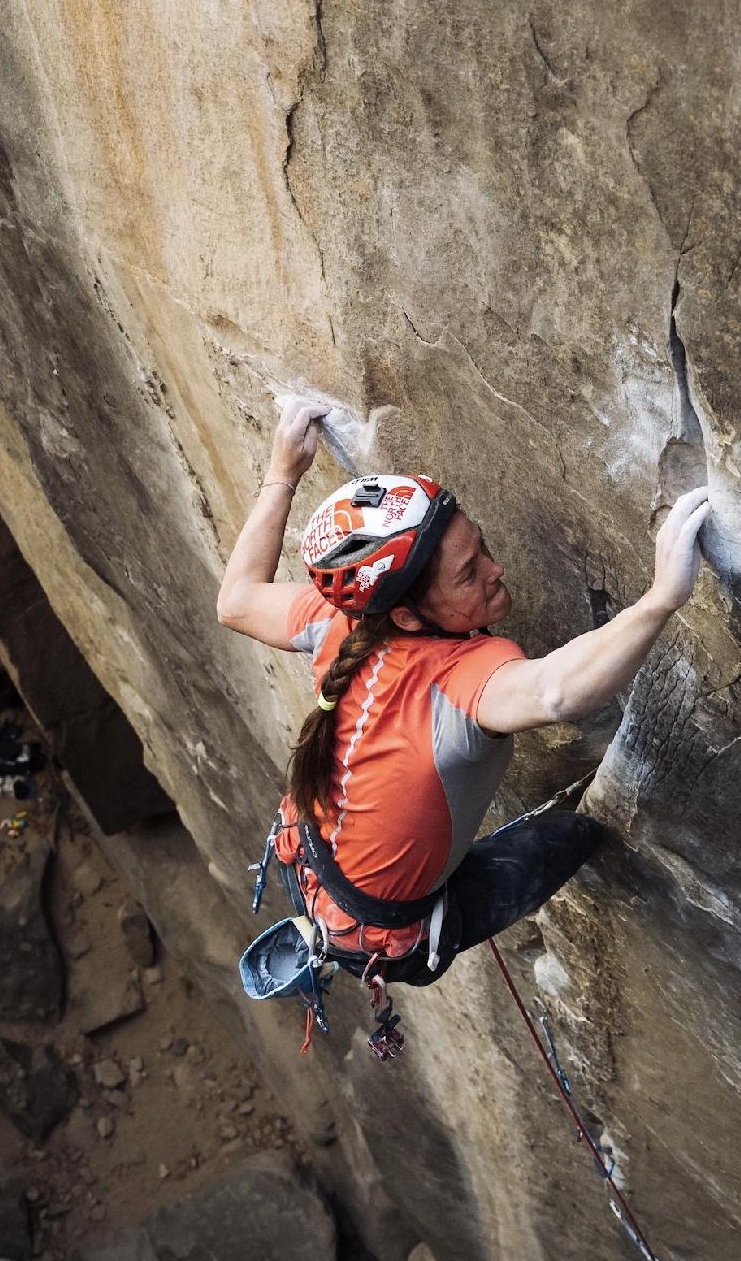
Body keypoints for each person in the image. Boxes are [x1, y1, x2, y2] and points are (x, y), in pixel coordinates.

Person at [218, 398, 710, 1023]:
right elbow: (556, 692)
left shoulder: (338, 624)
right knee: (575, 835)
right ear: (404, 614)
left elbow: (236, 601)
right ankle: (399, 920)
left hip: (305, 854)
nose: (497, 571)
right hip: (390, 937)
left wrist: (281, 472)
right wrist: (661, 599)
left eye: (482, 548)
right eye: (469, 572)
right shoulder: (463, 680)